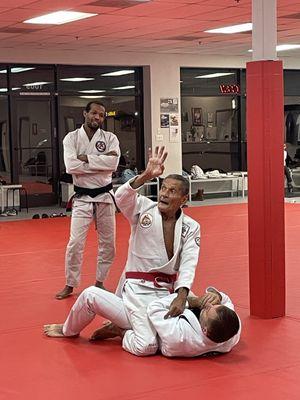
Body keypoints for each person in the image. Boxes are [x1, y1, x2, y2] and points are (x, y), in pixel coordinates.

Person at [46, 146, 201, 357]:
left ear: (184, 199)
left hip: (168, 291)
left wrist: (182, 295)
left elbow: (189, 262)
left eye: (172, 191)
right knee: (147, 346)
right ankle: (73, 329)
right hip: (138, 290)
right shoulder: (144, 208)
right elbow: (121, 197)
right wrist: (146, 175)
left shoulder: (191, 226)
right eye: (163, 188)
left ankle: (119, 325)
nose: (164, 194)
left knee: (202, 322)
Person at [43, 286, 241, 359]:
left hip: (149, 316)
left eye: (207, 312)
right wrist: (216, 296)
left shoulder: (180, 339)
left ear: (204, 330)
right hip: (170, 295)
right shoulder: (231, 333)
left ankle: (69, 330)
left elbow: (153, 310)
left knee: (90, 295)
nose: (207, 308)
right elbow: (228, 302)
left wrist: (187, 299)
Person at [55, 101, 120, 300]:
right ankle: (70, 283)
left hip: (105, 196)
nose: (97, 118)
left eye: (101, 115)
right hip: (82, 197)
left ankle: (100, 282)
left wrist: (87, 158)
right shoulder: (71, 138)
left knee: (108, 243)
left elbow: (114, 163)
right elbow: (71, 166)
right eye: (94, 113)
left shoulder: (110, 137)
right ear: (85, 113)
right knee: (75, 243)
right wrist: (101, 161)